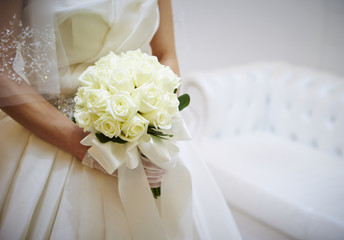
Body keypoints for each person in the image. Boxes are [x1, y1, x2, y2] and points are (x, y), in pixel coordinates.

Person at [0, 0, 242, 239]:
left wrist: (154, 121)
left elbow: (165, 54)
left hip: (143, 134)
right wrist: (85, 147)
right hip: (54, 136)